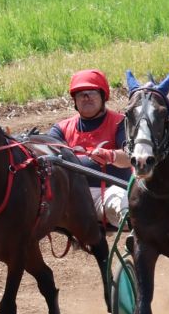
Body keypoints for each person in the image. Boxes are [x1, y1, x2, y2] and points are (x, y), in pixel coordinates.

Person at [48, 69, 131, 227]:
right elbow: (47, 157)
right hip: (71, 197)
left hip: (110, 192)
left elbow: (130, 157)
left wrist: (110, 155)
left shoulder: (121, 122)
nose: (86, 98)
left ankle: (135, 236)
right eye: (80, 94)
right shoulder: (61, 129)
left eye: (91, 92)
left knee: (122, 200)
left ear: (103, 95)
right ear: (75, 101)